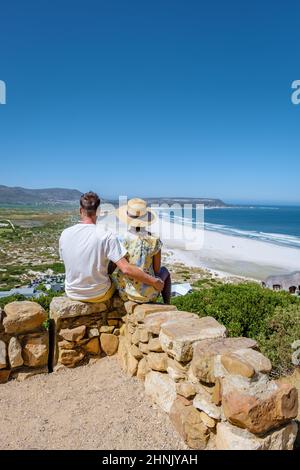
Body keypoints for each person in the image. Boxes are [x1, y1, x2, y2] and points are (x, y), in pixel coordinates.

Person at [59, 192, 164, 302]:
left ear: (80, 210)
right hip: (99, 294)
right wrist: (155, 282)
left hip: (72, 292)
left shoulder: (65, 233)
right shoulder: (106, 235)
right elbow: (126, 269)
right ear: (99, 211)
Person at [113, 198, 171, 304]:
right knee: (165, 271)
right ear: (145, 219)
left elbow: (115, 266)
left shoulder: (120, 239)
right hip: (148, 294)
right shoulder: (154, 240)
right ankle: (167, 303)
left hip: (126, 292)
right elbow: (157, 270)